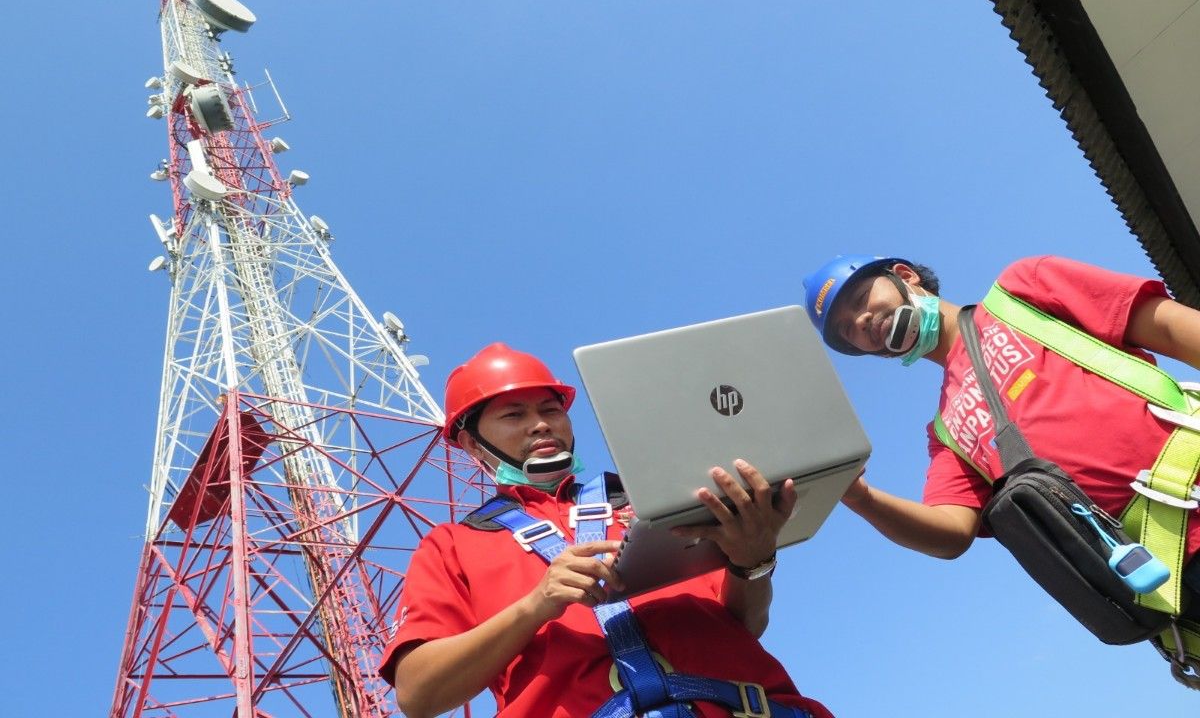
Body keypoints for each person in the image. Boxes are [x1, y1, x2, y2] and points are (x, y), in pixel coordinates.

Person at [379, 342, 834, 718]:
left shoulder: (655, 498)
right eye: (513, 414)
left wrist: (752, 562)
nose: (541, 424)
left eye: (551, 409)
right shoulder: (453, 546)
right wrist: (536, 606)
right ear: (468, 442)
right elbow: (419, 695)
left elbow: (744, 624)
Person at [801, 254, 1200, 617]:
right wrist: (859, 497)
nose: (859, 323)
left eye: (858, 301)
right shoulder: (945, 432)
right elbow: (951, 533)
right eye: (846, 331)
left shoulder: (1024, 289)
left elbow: (1169, 328)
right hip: (1167, 581)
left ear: (905, 275)